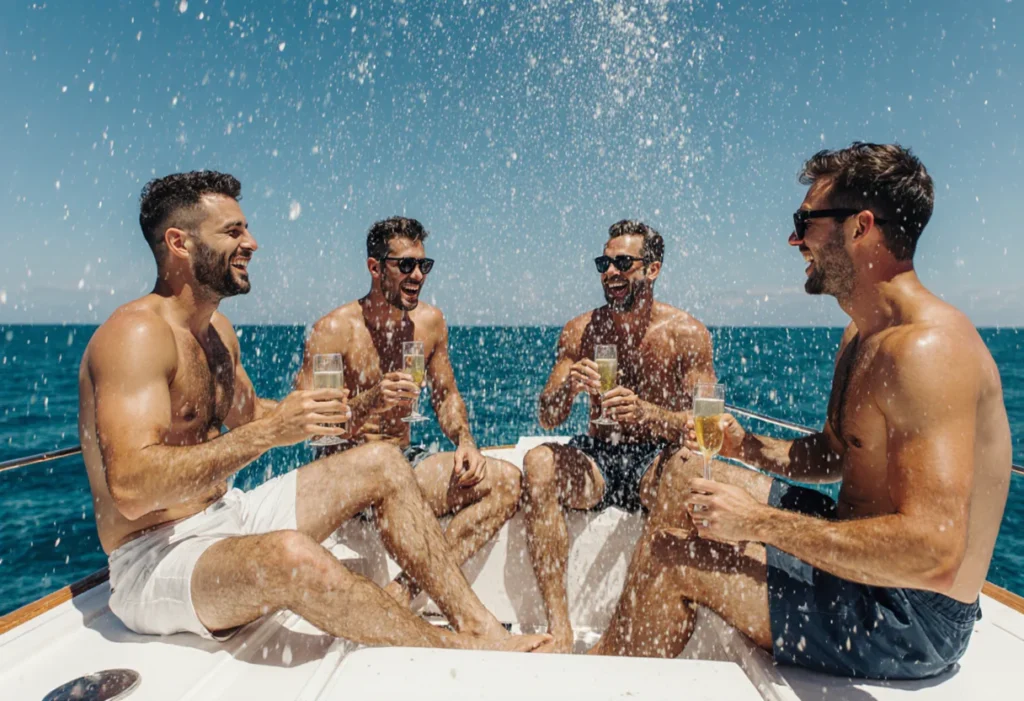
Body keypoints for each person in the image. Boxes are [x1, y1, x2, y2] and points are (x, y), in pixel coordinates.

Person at [590, 143, 1012, 680]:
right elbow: (834, 455)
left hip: (911, 618)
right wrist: (745, 446)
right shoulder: (863, 334)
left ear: (861, 228)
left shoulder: (927, 352)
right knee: (680, 473)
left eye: (805, 221)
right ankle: (623, 653)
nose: (794, 239)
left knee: (676, 562)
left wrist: (758, 523)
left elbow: (933, 554)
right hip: (859, 562)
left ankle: (597, 677)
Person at [77, 171, 548, 652]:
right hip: (155, 555)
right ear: (179, 242)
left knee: (384, 461)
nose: (252, 243)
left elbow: (254, 416)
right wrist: (273, 433)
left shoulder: (217, 332)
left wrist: (300, 414)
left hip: (226, 513)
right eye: (233, 231)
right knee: (290, 556)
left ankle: (479, 625)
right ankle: (456, 647)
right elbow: (133, 489)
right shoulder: (135, 335)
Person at [294, 216, 522, 607]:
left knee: (506, 483)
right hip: (344, 472)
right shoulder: (334, 330)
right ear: (375, 267)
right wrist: (370, 402)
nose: (417, 274)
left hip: (403, 462)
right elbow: (306, 426)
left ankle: (402, 592)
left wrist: (465, 440)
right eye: (405, 265)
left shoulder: (429, 324)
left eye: (424, 265)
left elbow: (446, 395)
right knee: (390, 479)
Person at [522, 220, 717, 653]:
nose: (610, 272)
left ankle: (631, 627)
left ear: (652, 269)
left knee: (689, 471)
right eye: (604, 263)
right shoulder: (580, 331)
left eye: (623, 262)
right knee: (538, 462)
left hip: (656, 460)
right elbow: (548, 416)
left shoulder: (686, 334)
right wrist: (568, 385)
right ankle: (560, 627)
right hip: (598, 457)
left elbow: (709, 428)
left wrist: (650, 415)